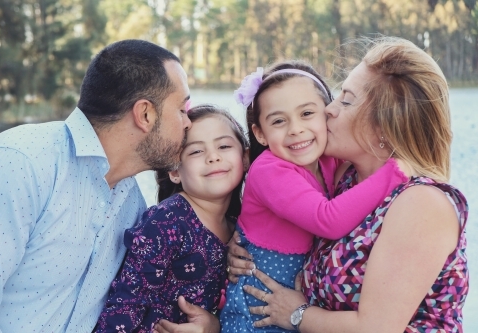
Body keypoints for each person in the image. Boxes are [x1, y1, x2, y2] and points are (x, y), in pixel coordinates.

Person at [235, 37, 469, 332]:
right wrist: (244, 244)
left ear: (383, 127)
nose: (329, 110)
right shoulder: (343, 179)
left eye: (345, 100)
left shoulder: (422, 203)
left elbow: (376, 327)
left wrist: (297, 314)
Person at [0, 39, 192, 333]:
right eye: (182, 109)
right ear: (145, 114)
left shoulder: (131, 203)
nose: (188, 122)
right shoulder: (20, 166)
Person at [219, 60, 407, 333]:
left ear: (327, 113)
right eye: (279, 121)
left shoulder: (330, 161)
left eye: (307, 113)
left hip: (295, 307)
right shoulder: (269, 170)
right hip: (257, 309)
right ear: (260, 133)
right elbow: (327, 219)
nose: (295, 129)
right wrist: (396, 170)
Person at [93, 104, 248, 332]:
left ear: (244, 158)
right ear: (175, 171)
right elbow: (126, 304)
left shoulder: (241, 226)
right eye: (196, 151)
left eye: (224, 146)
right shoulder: (166, 221)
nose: (213, 157)